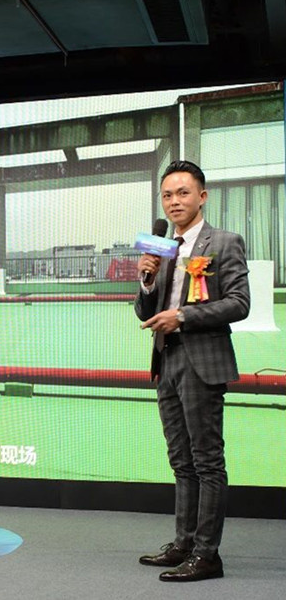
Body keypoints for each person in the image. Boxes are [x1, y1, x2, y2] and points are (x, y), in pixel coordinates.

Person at [134, 160, 250, 582]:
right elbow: (144, 311)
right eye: (167, 195)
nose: (174, 201)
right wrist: (147, 282)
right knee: (181, 461)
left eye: (183, 193)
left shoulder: (225, 242)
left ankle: (207, 555)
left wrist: (181, 316)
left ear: (202, 197)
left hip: (202, 360)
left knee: (206, 461)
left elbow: (239, 303)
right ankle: (183, 544)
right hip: (166, 359)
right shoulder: (163, 249)